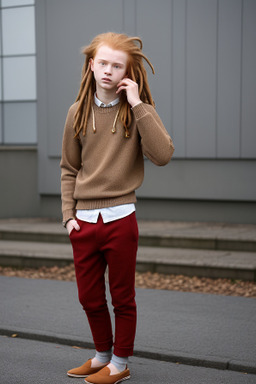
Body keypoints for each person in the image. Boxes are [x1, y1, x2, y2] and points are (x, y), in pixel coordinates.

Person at [60, 32, 174, 384]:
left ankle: (120, 364)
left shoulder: (138, 112)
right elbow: (69, 168)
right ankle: (102, 356)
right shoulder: (77, 113)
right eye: (103, 63)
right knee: (89, 296)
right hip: (83, 223)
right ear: (92, 65)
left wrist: (138, 103)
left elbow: (163, 155)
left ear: (128, 71)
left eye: (117, 65)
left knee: (122, 297)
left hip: (121, 220)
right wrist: (68, 217)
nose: (109, 70)